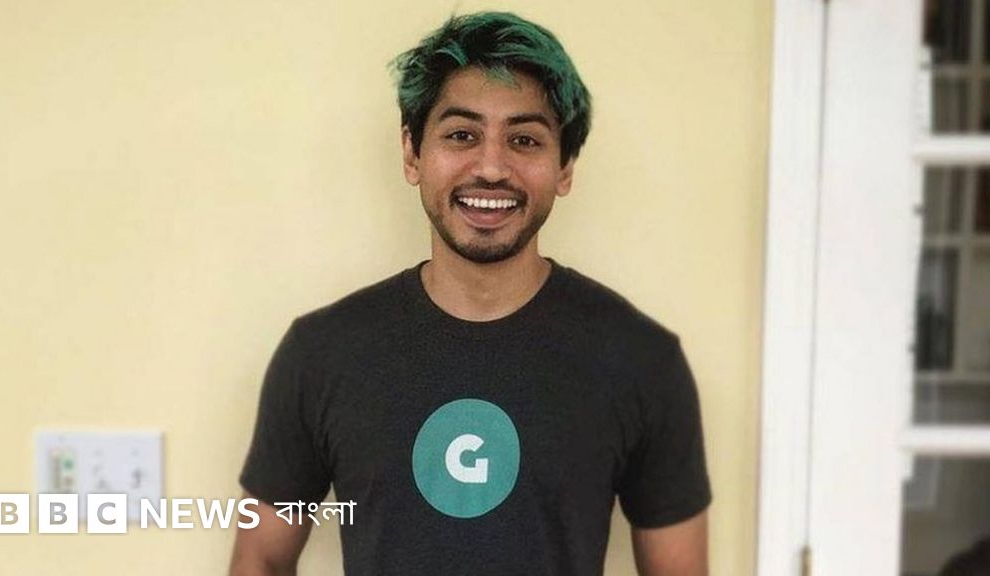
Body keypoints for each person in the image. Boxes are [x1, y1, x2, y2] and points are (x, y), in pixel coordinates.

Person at [229, 11, 710, 576]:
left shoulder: (642, 360)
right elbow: (260, 557)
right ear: (412, 153)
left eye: (524, 140)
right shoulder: (320, 353)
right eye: (462, 135)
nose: (491, 167)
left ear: (565, 167)